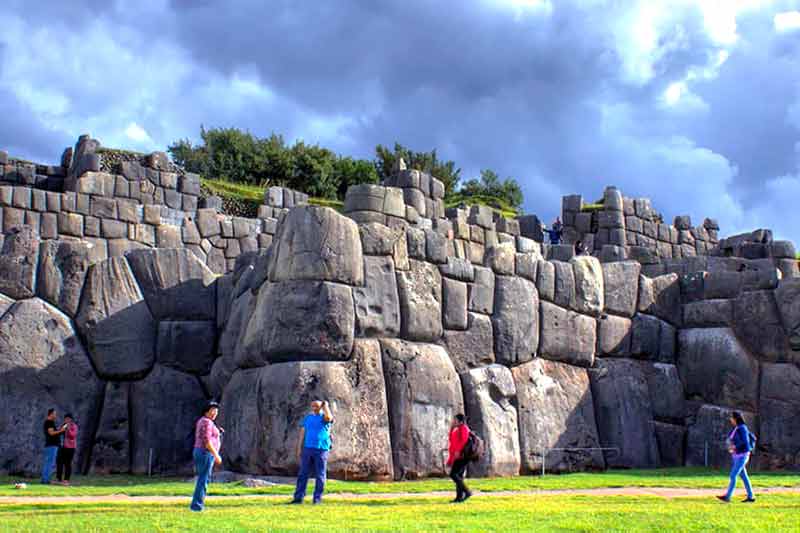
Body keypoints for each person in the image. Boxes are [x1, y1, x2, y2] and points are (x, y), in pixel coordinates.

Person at [291, 400, 334, 504]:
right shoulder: (308, 418)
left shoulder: (324, 417)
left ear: (321, 407)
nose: (314, 407)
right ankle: (298, 498)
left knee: (320, 474)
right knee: (303, 474)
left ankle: (317, 499)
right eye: (313, 406)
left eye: (317, 406)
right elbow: (302, 433)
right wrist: (298, 448)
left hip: (321, 449)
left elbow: (329, 418)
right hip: (308, 448)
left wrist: (326, 406)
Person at [190, 401, 222, 512]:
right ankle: (197, 506)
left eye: (216, 411)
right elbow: (207, 442)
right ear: (206, 411)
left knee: (203, 479)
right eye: (212, 410)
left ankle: (197, 504)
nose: (214, 413)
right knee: (203, 480)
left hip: (202, 452)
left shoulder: (205, 422)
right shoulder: (206, 422)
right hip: (205, 453)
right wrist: (216, 455)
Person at [717, 411, 756, 503]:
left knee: (733, 475)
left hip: (742, 456)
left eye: (731, 417)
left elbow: (745, 442)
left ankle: (727, 497)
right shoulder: (736, 428)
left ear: (736, 418)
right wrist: (731, 446)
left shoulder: (742, 428)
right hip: (736, 456)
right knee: (744, 476)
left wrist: (734, 447)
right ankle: (751, 497)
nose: (730, 419)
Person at [447, 414, 472, 503]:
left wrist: (458, 451)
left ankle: (467, 491)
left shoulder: (464, 428)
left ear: (461, 421)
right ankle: (459, 497)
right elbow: (451, 440)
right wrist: (451, 429)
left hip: (462, 456)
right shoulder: (457, 430)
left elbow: (463, 440)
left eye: (455, 420)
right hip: (457, 456)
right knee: (459, 476)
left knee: (453, 474)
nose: (454, 421)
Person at [42, 408, 66, 484]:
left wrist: (60, 431)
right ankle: (45, 480)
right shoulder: (49, 422)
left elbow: (54, 432)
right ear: (51, 414)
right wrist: (61, 430)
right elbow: (51, 433)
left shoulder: (49, 422)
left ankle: (45, 479)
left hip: (52, 445)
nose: (56, 415)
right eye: (55, 414)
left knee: (49, 463)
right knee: (49, 463)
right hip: (51, 445)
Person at [56, 414, 78, 486]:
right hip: (62, 447)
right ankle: (58, 478)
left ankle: (66, 479)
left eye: (67, 419)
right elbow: (59, 433)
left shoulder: (74, 426)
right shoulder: (64, 425)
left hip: (71, 447)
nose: (66, 420)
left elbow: (73, 436)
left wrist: (68, 429)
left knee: (67, 463)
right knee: (59, 462)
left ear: (71, 419)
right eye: (65, 419)